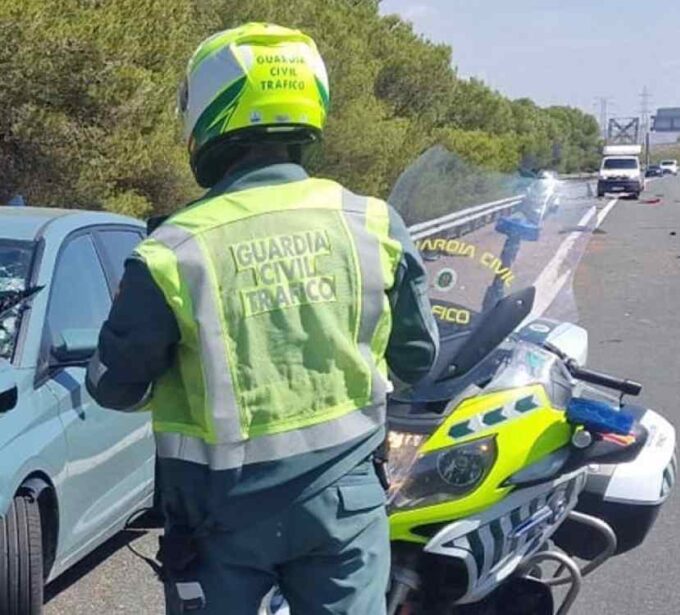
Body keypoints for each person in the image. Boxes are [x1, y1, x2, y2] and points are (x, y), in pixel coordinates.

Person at [85, 23, 439, 615]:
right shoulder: (373, 224)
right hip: (344, 508)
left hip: (219, 520)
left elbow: (115, 387)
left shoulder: (173, 249)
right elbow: (415, 360)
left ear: (206, 112)